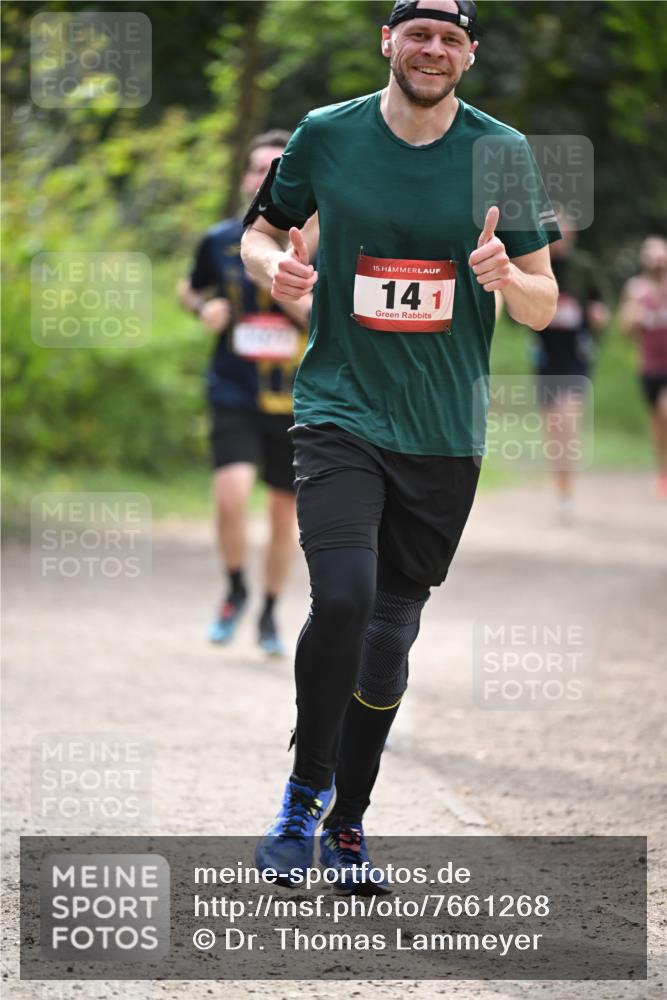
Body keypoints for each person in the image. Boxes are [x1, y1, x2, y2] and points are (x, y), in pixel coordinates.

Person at [241, 0, 560, 890]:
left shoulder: (503, 154)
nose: (432, 49)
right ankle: (301, 799)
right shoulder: (324, 133)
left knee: (388, 635)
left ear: (468, 55)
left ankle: (349, 824)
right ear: (387, 42)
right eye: (417, 33)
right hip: (340, 408)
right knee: (342, 598)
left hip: (443, 433)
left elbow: (541, 297)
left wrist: (507, 279)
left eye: (450, 38)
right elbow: (259, 234)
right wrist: (280, 272)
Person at [178, 130, 312, 656]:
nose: (266, 179)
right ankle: (235, 587)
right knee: (231, 496)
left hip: (297, 399)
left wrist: (288, 283)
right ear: (245, 179)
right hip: (233, 389)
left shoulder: (317, 247)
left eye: (277, 171)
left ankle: (271, 613)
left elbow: (326, 315)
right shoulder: (219, 240)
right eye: (259, 170)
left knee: (284, 516)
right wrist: (201, 309)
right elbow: (190, 286)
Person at [530, 211, 610, 524]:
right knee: (554, 429)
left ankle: (569, 490)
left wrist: (598, 315)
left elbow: (602, 304)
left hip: (576, 357)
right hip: (546, 357)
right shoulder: (535, 264)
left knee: (568, 420)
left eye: (564, 229)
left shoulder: (585, 267)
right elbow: (517, 314)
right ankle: (562, 491)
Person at [619, 235, 667, 499]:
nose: (658, 261)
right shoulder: (636, 289)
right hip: (649, 366)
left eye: (662, 256)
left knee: (665, 412)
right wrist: (635, 314)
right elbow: (624, 330)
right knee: (658, 422)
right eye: (653, 256)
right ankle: (662, 471)